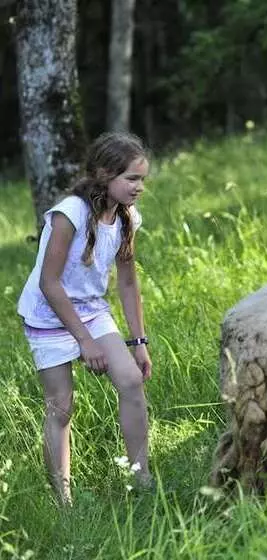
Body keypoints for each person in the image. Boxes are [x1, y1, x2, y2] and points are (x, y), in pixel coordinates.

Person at [17, 132, 154, 505]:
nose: (139, 187)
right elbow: (49, 282)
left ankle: (141, 479)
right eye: (131, 179)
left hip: (91, 311)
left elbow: (127, 283)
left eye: (142, 179)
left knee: (130, 380)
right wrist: (84, 341)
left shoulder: (128, 217)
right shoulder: (70, 213)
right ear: (104, 174)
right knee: (61, 406)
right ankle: (63, 501)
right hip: (50, 315)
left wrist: (138, 342)